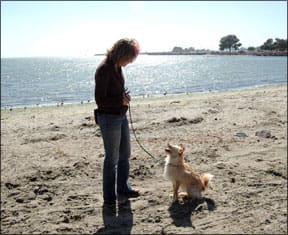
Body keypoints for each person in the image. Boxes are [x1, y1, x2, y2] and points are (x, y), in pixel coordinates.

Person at [94, 38, 140, 205]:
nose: (129, 62)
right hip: (108, 118)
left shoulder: (117, 67)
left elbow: (115, 93)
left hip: (120, 115)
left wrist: (124, 98)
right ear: (121, 54)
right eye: (128, 59)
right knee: (111, 159)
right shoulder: (104, 69)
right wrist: (120, 101)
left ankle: (123, 187)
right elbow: (100, 100)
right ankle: (109, 197)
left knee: (125, 155)